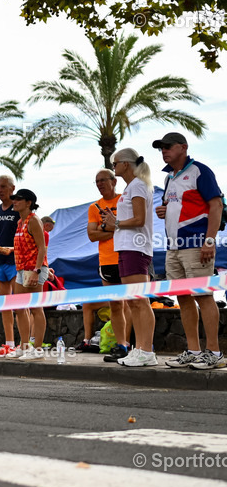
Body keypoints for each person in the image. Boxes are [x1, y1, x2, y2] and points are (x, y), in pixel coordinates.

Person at [152, 132, 226, 370]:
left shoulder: (199, 171)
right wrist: (164, 211)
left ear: (183, 147)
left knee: (203, 296)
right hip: (173, 246)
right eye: (161, 148)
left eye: (168, 147)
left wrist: (209, 240)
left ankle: (214, 352)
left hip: (196, 243)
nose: (164, 151)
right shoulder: (168, 178)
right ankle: (193, 351)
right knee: (183, 298)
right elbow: (176, 205)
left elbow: (216, 204)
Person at [101, 148, 157, 367]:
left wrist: (115, 222)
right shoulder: (131, 187)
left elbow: (140, 219)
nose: (114, 168)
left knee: (141, 301)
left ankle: (146, 350)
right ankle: (140, 349)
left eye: (115, 164)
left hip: (137, 248)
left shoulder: (138, 185)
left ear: (125, 164)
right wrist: (116, 221)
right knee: (134, 302)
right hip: (125, 247)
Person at [85, 169, 131, 361]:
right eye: (96, 181)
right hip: (107, 261)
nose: (100, 184)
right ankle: (120, 345)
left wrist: (110, 227)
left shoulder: (124, 200)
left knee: (132, 303)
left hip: (127, 256)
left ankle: (129, 343)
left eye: (103, 180)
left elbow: (133, 225)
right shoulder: (95, 207)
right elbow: (92, 235)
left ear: (114, 181)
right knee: (115, 305)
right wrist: (114, 229)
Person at [7, 189, 49, 361]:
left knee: (35, 308)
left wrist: (36, 271)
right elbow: (25, 247)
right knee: (19, 308)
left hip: (33, 270)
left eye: (18, 199)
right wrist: (9, 251)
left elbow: (42, 248)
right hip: (21, 270)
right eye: (14, 199)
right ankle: (24, 346)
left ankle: (37, 349)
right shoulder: (20, 222)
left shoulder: (34, 221)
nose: (14, 202)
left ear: (28, 202)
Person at [0, 175, 19, 356]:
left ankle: (26, 343)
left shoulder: (19, 208)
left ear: (12, 188)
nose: (0, 190)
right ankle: (9, 344)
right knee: (5, 305)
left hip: (16, 261)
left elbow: (27, 237)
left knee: (21, 305)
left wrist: (12, 250)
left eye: (3, 187)